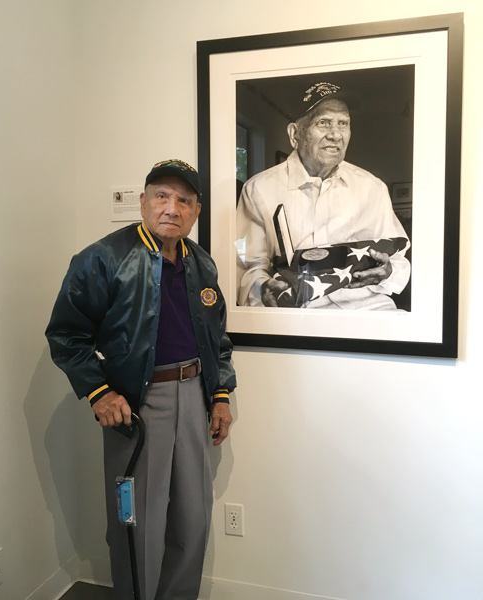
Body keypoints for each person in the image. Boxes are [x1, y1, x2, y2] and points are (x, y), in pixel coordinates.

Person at [46, 159, 236, 600]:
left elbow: (217, 338)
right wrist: (99, 391)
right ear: (143, 201)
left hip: (195, 397)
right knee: (138, 524)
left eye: (184, 200)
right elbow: (66, 334)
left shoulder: (201, 265)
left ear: (196, 210)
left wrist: (221, 395)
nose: (172, 207)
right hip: (137, 406)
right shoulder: (102, 258)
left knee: (193, 518)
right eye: (162, 196)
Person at [236, 82, 411, 310]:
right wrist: (264, 290)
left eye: (343, 124)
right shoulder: (259, 189)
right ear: (295, 133)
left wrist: (387, 271)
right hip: (296, 315)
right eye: (324, 123)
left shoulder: (372, 188)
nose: (336, 135)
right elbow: (247, 266)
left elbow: (398, 258)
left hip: (369, 309)